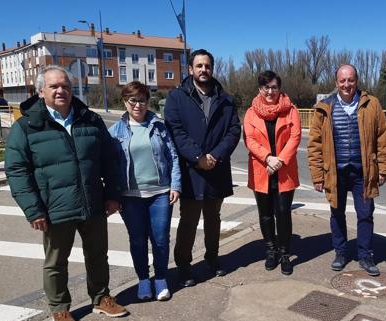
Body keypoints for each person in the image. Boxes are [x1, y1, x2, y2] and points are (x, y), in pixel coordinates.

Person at [5, 65, 127, 321]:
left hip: (93, 202)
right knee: (56, 262)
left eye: (66, 86)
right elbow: (16, 170)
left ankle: (101, 298)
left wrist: (112, 195)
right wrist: (33, 209)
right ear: (41, 92)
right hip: (54, 208)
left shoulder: (90, 120)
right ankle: (60, 308)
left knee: (97, 255)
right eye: (54, 86)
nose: (61, 91)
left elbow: (109, 160)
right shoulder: (26, 126)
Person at [164, 49, 241, 287]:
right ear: (190, 69)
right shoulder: (177, 97)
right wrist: (198, 156)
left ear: (212, 68)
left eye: (207, 66)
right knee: (188, 222)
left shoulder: (225, 98)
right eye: (199, 66)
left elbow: (234, 130)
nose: (203, 70)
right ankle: (184, 267)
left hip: (216, 170)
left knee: (213, 219)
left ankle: (212, 259)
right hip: (191, 170)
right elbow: (175, 130)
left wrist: (215, 156)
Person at [307, 64, 386, 276]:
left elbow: (383, 138)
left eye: (351, 80)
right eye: (342, 80)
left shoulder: (371, 104)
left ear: (357, 81)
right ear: (336, 83)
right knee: (337, 214)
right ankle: (341, 253)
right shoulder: (324, 107)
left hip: (363, 172)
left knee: (365, 215)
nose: (347, 84)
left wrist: (382, 169)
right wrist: (318, 176)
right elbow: (315, 145)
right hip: (335, 173)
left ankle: (365, 255)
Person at [108, 81, 181, 301]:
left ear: (148, 101)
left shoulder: (159, 126)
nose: (138, 105)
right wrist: (112, 194)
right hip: (130, 197)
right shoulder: (115, 131)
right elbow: (109, 166)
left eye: (142, 100)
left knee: (160, 238)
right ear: (125, 102)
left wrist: (175, 185)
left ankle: (160, 278)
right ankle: (142, 279)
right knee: (137, 239)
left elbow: (173, 156)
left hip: (160, 193)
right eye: (133, 100)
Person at [243, 70, 301, 275]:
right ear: (260, 89)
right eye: (266, 87)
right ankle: (271, 250)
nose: (270, 91)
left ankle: (284, 253)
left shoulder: (290, 110)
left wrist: (279, 160)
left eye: (274, 87)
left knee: (283, 213)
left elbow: (295, 137)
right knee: (266, 214)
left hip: (284, 170)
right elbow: (249, 139)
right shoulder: (251, 112)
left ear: (279, 88)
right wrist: (268, 158)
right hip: (262, 169)